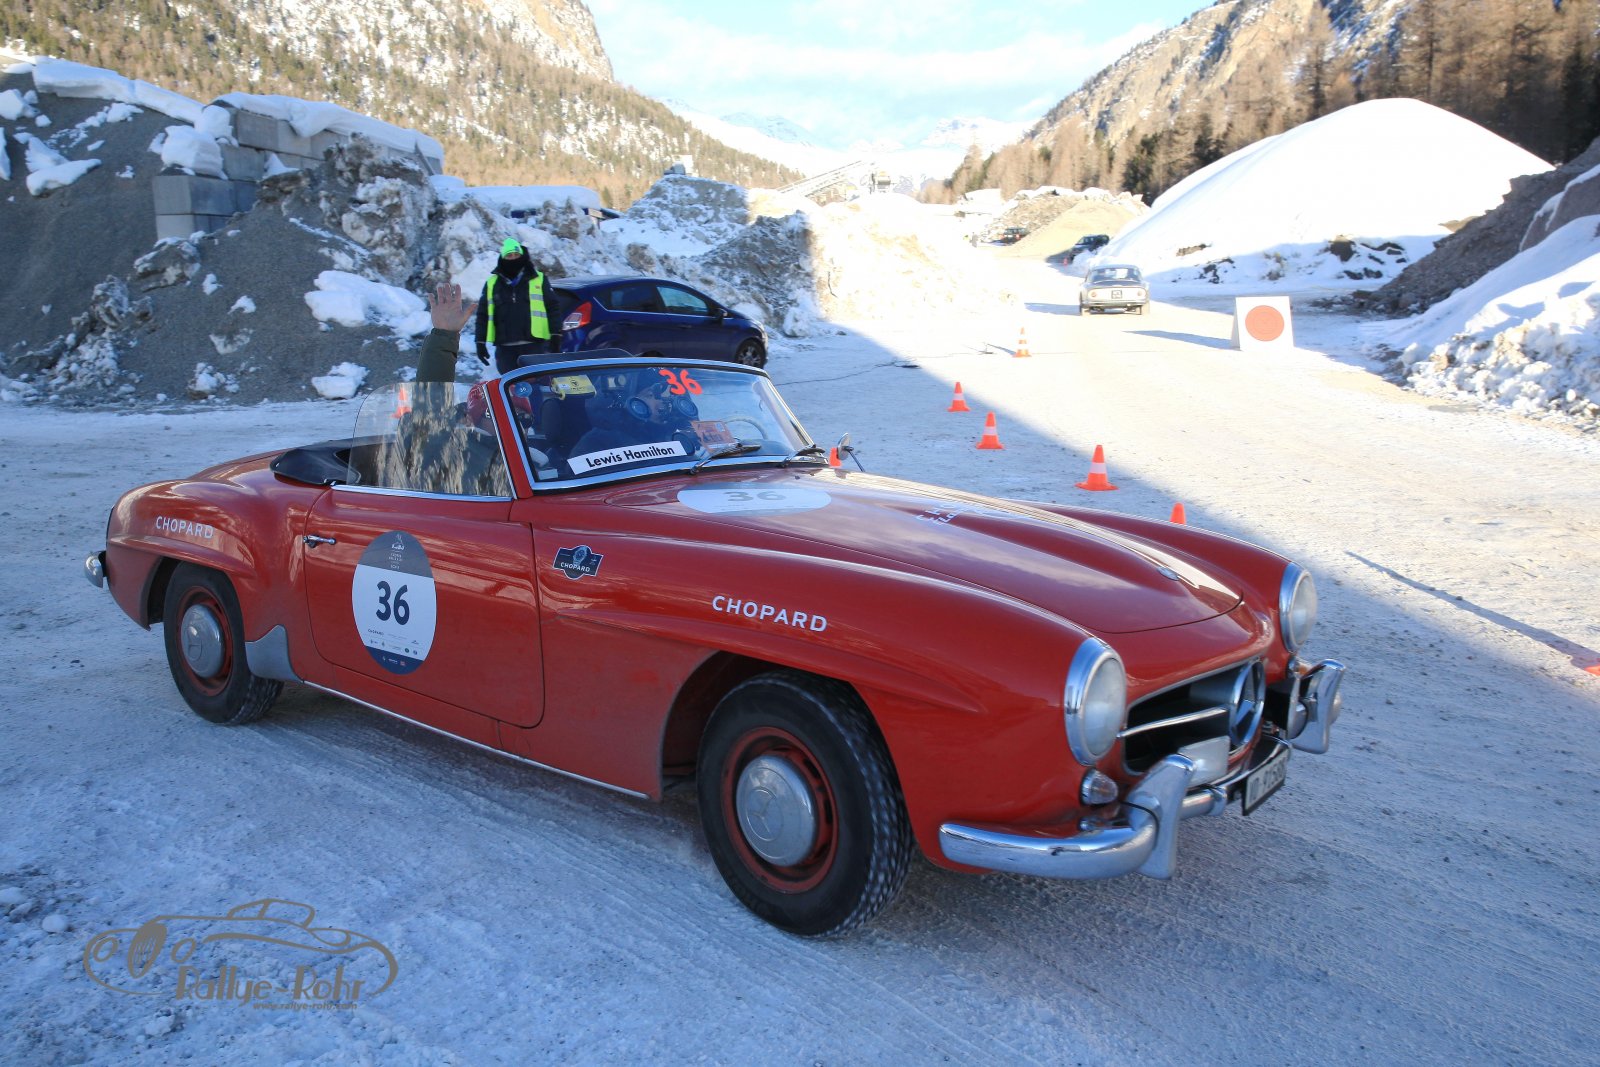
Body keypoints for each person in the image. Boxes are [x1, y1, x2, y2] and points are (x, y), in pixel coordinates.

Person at [566, 368, 703, 475]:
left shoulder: (675, 439)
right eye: (650, 395)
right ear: (631, 401)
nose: (662, 405)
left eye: (668, 397)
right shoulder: (597, 442)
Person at [474, 238, 559, 375]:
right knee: (510, 386)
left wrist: (556, 334)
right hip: (505, 350)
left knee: (536, 384)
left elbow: (553, 308)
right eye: (509, 255)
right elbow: (482, 315)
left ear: (522, 255)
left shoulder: (538, 279)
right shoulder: (492, 284)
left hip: (534, 347)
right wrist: (480, 342)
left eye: (516, 255)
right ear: (503, 258)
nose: (513, 258)